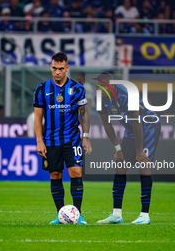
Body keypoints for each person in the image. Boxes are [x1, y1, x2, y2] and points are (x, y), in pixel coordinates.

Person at [95, 72, 161, 225]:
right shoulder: (100, 99)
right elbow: (107, 124)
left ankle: (144, 215)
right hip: (132, 130)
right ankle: (116, 215)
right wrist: (118, 149)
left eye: (101, 87)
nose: (98, 90)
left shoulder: (125, 94)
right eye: (97, 87)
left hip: (148, 126)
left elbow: (137, 121)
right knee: (120, 166)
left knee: (143, 165)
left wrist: (139, 151)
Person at [34, 52, 92, 224]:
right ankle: (61, 215)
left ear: (67, 68)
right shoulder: (41, 89)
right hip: (51, 140)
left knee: (76, 172)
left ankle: (78, 215)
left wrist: (86, 137)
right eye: (54, 68)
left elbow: (84, 114)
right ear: (50, 68)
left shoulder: (78, 88)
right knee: (55, 175)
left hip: (72, 138)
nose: (57, 72)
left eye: (61, 69)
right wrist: (39, 141)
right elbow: (37, 118)